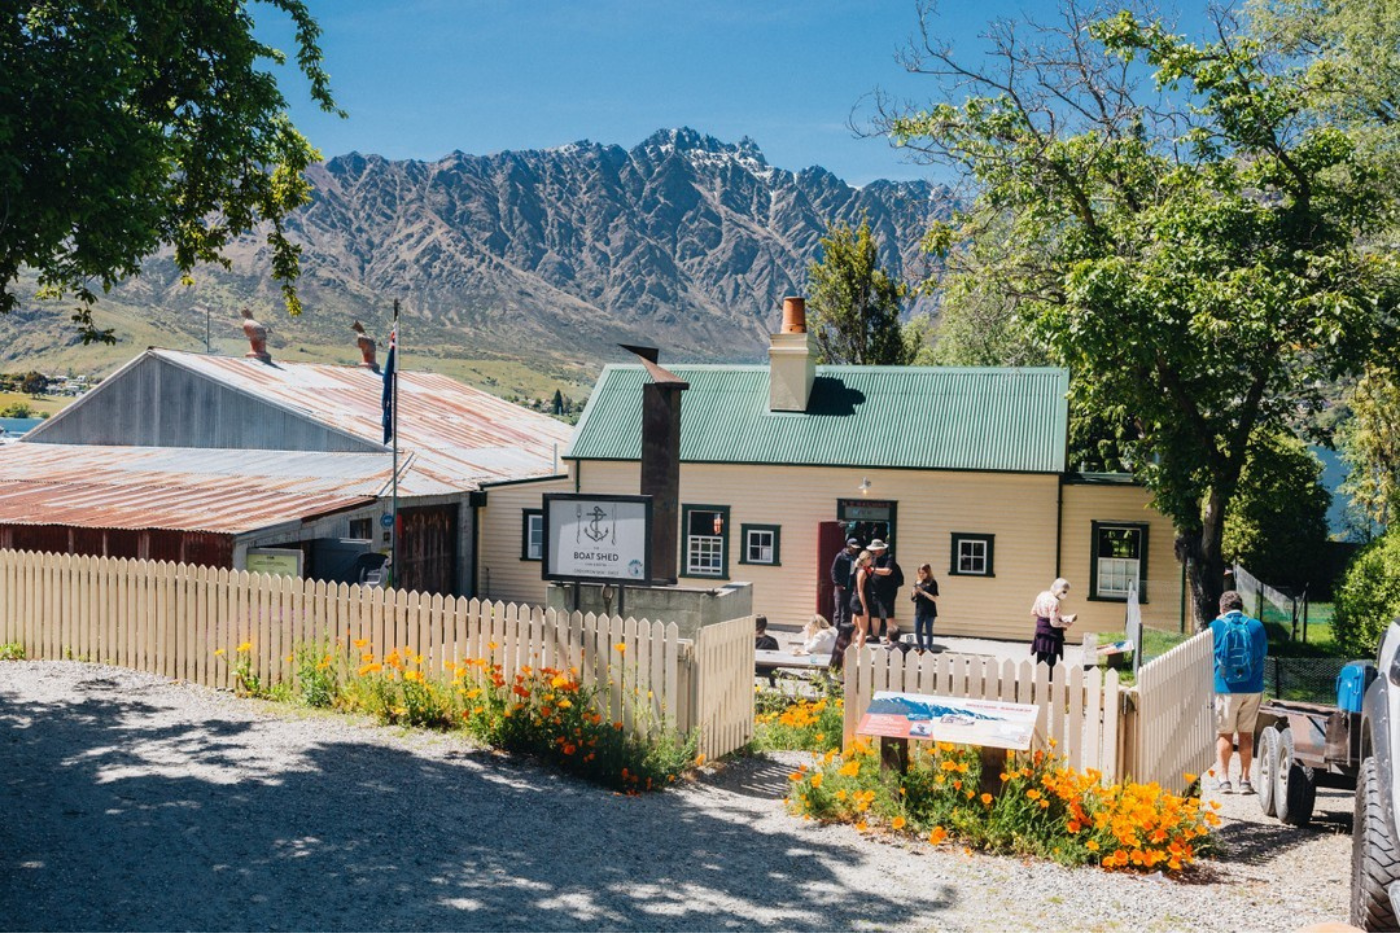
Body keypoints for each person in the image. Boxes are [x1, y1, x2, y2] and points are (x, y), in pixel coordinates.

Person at [1210, 590, 1268, 794]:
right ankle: (1245, 781)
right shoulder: (1256, 626)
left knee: (1225, 734)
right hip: (1252, 688)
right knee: (1246, 735)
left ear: (1222, 607)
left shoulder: (1216, 626)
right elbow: (1262, 654)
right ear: (1241, 607)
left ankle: (1224, 779)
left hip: (1225, 688)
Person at [1030, 578, 1076, 671]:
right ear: (1059, 590)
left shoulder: (1041, 595)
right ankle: (1049, 682)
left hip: (1040, 632)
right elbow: (1054, 623)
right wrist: (1065, 625)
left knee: (1040, 660)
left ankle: (1040, 681)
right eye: (1064, 592)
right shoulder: (1054, 601)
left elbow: (1033, 612)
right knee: (1050, 662)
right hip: (1051, 635)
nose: (1065, 594)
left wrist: (1045, 619)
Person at [868, 539, 900, 644]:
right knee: (874, 614)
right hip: (875, 590)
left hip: (888, 591)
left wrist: (872, 569)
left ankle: (890, 637)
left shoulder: (889, 558)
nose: (874, 552)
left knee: (888, 614)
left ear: (881, 549)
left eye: (875, 550)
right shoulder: (872, 558)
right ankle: (875, 635)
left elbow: (887, 571)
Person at [829, 538, 860, 632]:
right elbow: (833, 570)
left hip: (850, 586)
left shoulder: (855, 557)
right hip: (840, 586)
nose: (855, 549)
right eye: (853, 547)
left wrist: (855, 584)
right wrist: (837, 584)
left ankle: (844, 630)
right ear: (849, 546)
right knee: (838, 609)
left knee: (847, 609)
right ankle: (836, 630)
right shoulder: (840, 556)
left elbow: (855, 572)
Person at [849, 550, 875, 650]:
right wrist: (864, 607)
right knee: (863, 630)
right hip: (859, 601)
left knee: (854, 628)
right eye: (870, 558)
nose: (872, 560)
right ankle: (860, 651)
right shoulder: (862, 572)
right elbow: (860, 590)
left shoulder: (859, 569)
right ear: (866, 559)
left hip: (855, 600)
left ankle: (850, 649)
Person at [911, 563, 939, 653]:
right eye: (919, 573)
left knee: (928, 631)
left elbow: (934, 598)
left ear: (928, 572)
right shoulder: (917, 582)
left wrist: (923, 592)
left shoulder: (932, 582)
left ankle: (929, 649)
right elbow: (913, 599)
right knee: (917, 630)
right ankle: (921, 648)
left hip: (930, 611)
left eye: (923, 573)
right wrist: (914, 592)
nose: (921, 575)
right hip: (919, 610)